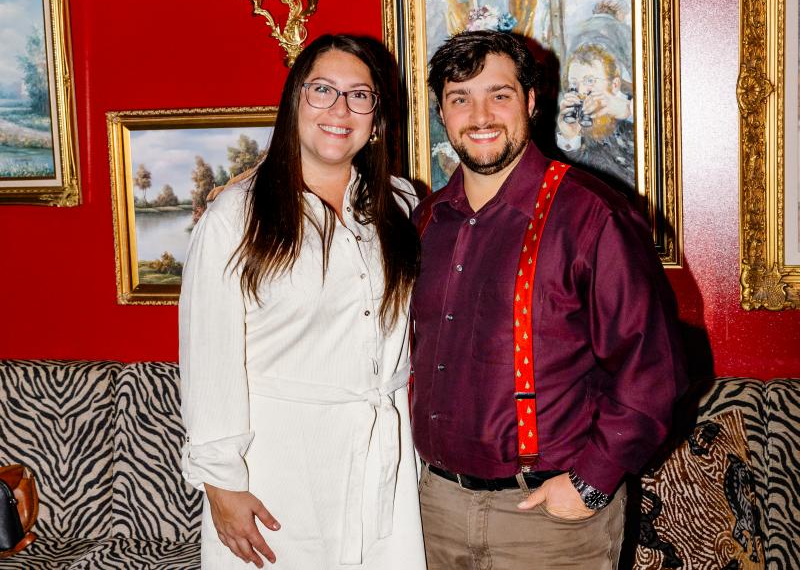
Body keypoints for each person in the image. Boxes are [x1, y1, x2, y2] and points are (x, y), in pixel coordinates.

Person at [411, 29, 686, 569]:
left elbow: (652, 368)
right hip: (434, 511)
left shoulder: (592, 216)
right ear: (442, 113)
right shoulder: (425, 223)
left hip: (549, 522)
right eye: (460, 98)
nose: (480, 116)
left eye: (499, 95)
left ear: (531, 101)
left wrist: (592, 482)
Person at [179, 34, 426, 570]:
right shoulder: (234, 218)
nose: (340, 109)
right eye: (322, 90)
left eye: (359, 95)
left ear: (377, 119)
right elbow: (210, 359)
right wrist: (221, 484)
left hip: (384, 465)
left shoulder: (403, 206)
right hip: (278, 470)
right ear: (294, 101)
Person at [556, 42, 635, 189]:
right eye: (574, 83)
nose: (581, 91)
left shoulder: (638, 108)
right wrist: (570, 137)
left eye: (590, 81)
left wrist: (629, 111)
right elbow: (578, 179)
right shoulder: (579, 122)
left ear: (615, 85)